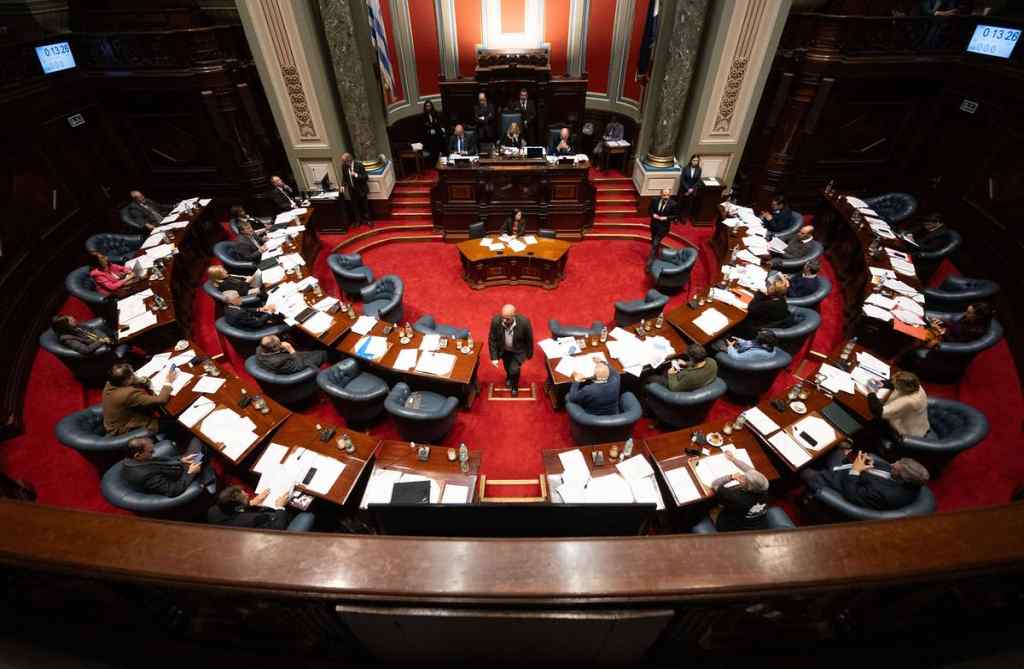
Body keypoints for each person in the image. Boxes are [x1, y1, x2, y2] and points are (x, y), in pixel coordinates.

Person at [807, 450, 930, 511]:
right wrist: (871, 463)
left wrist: (856, 470)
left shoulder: (885, 495)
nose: (891, 464)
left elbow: (852, 494)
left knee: (804, 472)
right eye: (896, 462)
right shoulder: (907, 478)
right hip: (852, 470)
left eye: (894, 468)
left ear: (901, 480)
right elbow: (883, 471)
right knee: (834, 449)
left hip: (839, 482)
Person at [119, 436, 215, 497]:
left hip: (178, 466)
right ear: (137, 455)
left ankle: (203, 458)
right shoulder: (145, 476)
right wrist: (190, 473)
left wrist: (180, 460)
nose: (154, 452)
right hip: (182, 475)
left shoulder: (132, 460)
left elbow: (159, 461)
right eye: (151, 452)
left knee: (199, 441)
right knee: (201, 447)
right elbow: (173, 490)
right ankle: (203, 464)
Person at [102, 362, 175, 435]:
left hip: (115, 421)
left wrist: (139, 381)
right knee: (173, 422)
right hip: (124, 429)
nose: (134, 375)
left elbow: (130, 384)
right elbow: (161, 399)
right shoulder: (127, 394)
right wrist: (168, 382)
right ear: (126, 381)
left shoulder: (110, 383)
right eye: (132, 374)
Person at [710, 450, 771, 531]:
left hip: (736, 528)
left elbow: (714, 484)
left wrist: (731, 477)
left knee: (711, 508)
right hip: (758, 523)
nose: (741, 477)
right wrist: (733, 459)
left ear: (747, 487)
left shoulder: (735, 497)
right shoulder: (763, 486)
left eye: (743, 478)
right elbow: (752, 471)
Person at [868, 370, 931, 439]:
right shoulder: (915, 385)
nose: (892, 382)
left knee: (871, 423)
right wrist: (883, 384)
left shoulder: (908, 401)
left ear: (901, 388)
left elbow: (878, 411)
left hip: (907, 432)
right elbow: (896, 384)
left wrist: (871, 392)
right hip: (918, 422)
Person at [488, 304, 533, 397]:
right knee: (507, 366)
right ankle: (509, 377)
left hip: (518, 351)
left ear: (514, 316)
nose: (504, 321)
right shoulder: (496, 321)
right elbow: (492, 339)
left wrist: (529, 354)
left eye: (507, 319)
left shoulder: (524, 322)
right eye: (503, 318)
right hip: (504, 350)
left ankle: (514, 387)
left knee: (514, 370)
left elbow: (529, 339)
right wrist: (494, 357)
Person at [207, 485, 301, 530]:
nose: (248, 494)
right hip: (279, 531)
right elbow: (278, 528)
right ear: (239, 507)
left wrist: (250, 503)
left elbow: (235, 511)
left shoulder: (213, 511)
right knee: (306, 515)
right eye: (246, 497)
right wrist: (280, 507)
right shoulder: (252, 519)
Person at [255, 335, 327, 374]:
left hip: (282, 356)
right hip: (300, 362)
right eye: (280, 343)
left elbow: (275, 352)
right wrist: (291, 350)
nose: (282, 343)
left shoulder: (260, 348)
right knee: (322, 353)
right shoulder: (277, 362)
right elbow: (299, 366)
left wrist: (280, 349)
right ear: (274, 349)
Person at [51, 314, 117, 356]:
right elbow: (86, 350)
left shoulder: (76, 325)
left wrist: (104, 337)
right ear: (66, 326)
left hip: (104, 338)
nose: (72, 318)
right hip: (98, 347)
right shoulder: (68, 340)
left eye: (69, 316)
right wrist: (101, 341)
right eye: (69, 320)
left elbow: (93, 329)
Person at [649, 188, 680, 260]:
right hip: (654, 225)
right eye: (664, 195)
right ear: (661, 194)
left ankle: (651, 260)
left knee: (655, 242)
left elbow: (675, 216)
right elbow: (650, 209)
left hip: (664, 227)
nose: (666, 197)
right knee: (654, 241)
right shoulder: (655, 200)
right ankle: (656, 253)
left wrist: (666, 218)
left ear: (669, 195)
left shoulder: (673, 204)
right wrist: (653, 214)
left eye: (667, 195)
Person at [341, 153, 371, 227]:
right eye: (343, 161)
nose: (344, 163)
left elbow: (366, 177)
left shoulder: (359, 165)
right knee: (355, 207)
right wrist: (342, 185)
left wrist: (356, 175)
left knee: (364, 206)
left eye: (344, 161)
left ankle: (368, 220)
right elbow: (344, 177)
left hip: (361, 189)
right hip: (352, 190)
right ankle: (358, 220)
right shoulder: (344, 166)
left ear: (349, 160)